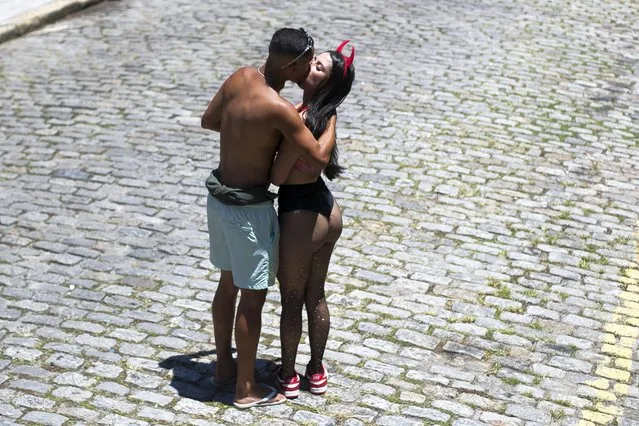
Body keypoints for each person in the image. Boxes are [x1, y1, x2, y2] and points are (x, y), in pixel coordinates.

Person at [200, 27, 338, 409]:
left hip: (220, 200)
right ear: (292, 65)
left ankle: (224, 367)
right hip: (250, 211)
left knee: (226, 286)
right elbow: (319, 157)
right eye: (308, 63)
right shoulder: (279, 110)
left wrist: (250, 133)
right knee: (253, 299)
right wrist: (331, 119)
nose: (311, 68)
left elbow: (209, 121)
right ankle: (246, 389)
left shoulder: (241, 77)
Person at [269, 41, 355, 399]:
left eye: (318, 68)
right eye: (314, 61)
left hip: (301, 214)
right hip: (328, 211)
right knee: (316, 296)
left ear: (325, 84)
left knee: (292, 298)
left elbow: (277, 176)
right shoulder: (326, 113)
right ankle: (317, 370)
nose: (310, 67)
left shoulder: (301, 119)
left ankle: (288, 376)